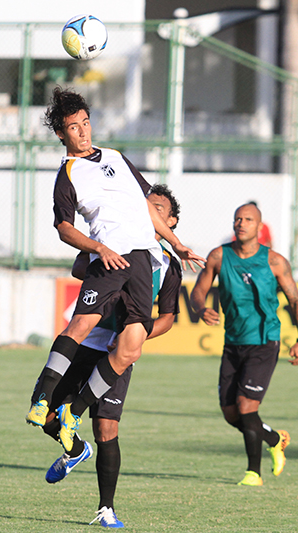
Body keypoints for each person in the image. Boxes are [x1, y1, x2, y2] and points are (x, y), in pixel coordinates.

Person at [25, 88, 203, 460]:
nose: (84, 132)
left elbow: (146, 205)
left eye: (86, 123)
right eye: (74, 127)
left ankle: (73, 414)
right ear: (62, 134)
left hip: (139, 258)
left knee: (132, 345)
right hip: (109, 256)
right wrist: (98, 249)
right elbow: (64, 228)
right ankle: (43, 400)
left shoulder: (117, 158)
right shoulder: (68, 174)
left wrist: (176, 242)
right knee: (80, 326)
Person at [40, 184, 184, 529]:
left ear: (172, 222)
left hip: (118, 353)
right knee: (45, 415)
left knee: (106, 426)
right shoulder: (113, 241)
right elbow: (78, 267)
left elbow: (167, 317)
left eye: (158, 209)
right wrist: (103, 259)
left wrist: (132, 335)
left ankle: (106, 509)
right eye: (144, 204)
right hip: (87, 341)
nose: (148, 211)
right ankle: (75, 451)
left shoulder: (168, 264)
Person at [191, 202, 298, 486]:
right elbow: (198, 290)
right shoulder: (219, 257)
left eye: (248, 219)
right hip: (233, 342)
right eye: (237, 219)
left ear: (259, 226)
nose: (241, 223)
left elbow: (295, 300)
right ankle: (275, 438)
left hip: (265, 341)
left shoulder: (275, 262)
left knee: (246, 407)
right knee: (231, 413)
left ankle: (253, 473)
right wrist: (200, 308)